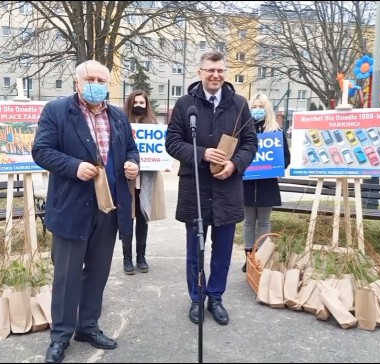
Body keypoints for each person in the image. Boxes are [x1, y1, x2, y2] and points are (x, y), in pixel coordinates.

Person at [32, 59, 140, 363]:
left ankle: (88, 326)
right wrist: (73, 166)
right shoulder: (57, 111)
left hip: (108, 207)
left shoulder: (118, 116)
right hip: (71, 206)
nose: (96, 84)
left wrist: (133, 164)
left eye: (102, 80)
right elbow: (41, 150)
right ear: (77, 82)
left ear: (108, 84)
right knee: (67, 275)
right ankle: (61, 336)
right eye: (90, 78)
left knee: (98, 272)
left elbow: (130, 149)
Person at [165, 51, 258, 326]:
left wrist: (236, 165)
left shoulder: (239, 104)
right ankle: (196, 298)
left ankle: (215, 297)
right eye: (210, 70)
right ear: (200, 72)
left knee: (223, 249)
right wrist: (202, 153)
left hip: (228, 189)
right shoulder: (184, 105)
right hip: (195, 188)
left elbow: (251, 143)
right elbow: (172, 142)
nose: (215, 75)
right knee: (196, 248)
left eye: (220, 70)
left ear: (225, 73)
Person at [241, 93, 291, 273]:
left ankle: (260, 257)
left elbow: (285, 157)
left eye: (260, 107)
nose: (257, 110)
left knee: (264, 221)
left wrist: (276, 168)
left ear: (267, 109)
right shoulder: (243, 131)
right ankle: (249, 257)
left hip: (266, 184)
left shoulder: (276, 132)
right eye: (254, 107)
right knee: (248, 222)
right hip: (247, 184)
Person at [120, 90, 166, 274]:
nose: (139, 105)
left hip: (147, 177)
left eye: (142, 103)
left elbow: (162, 148)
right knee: (127, 218)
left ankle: (141, 256)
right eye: (136, 102)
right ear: (130, 104)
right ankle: (127, 258)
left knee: (142, 217)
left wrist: (164, 161)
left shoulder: (153, 124)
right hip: (127, 176)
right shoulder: (121, 123)